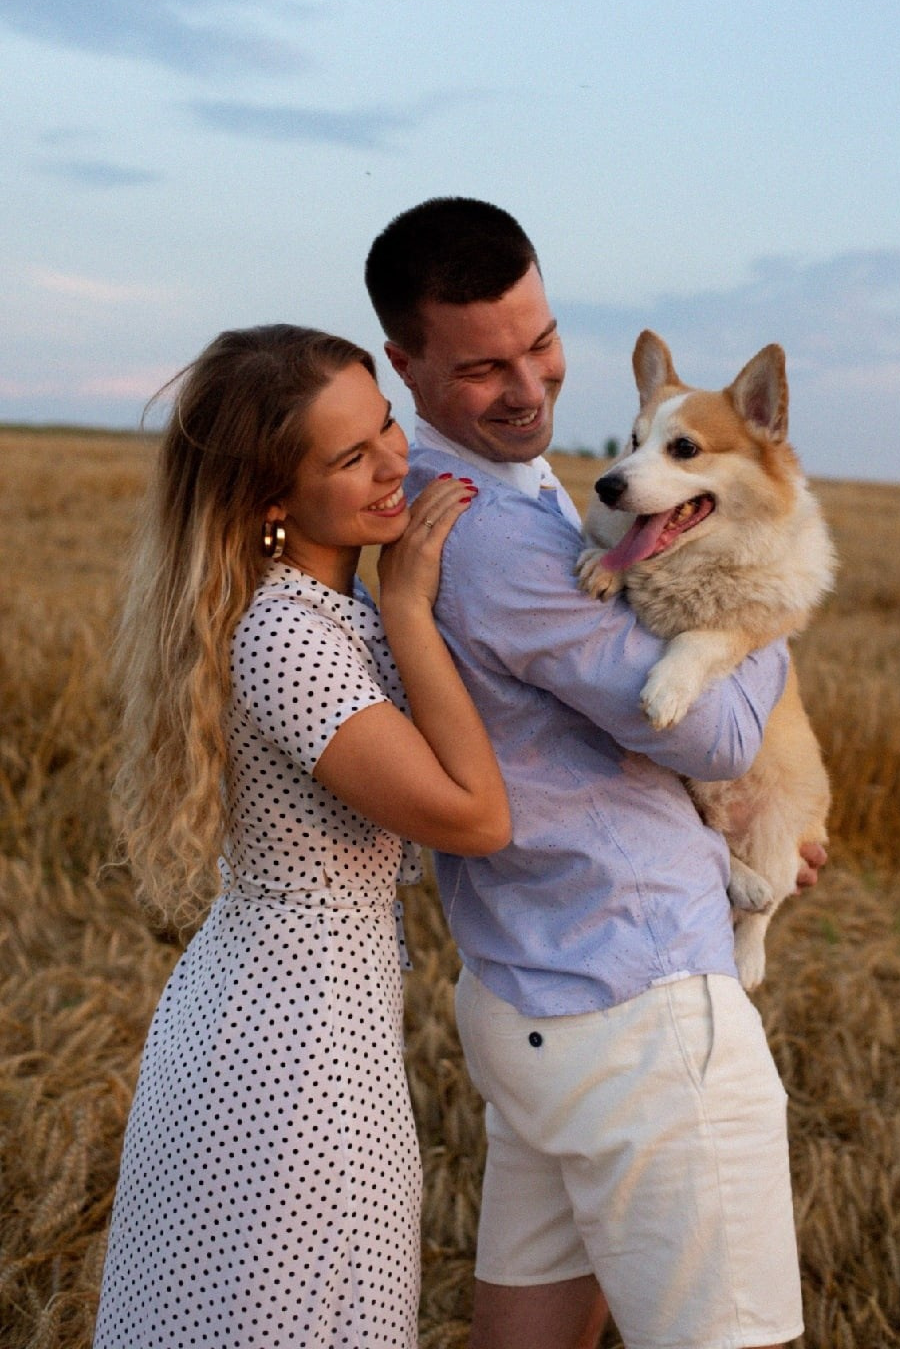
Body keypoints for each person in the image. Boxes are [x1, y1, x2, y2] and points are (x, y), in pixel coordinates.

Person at [365, 199, 825, 1349]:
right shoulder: (493, 537)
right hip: (634, 1002)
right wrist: (776, 618)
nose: (528, 387)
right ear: (403, 364)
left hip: (532, 993)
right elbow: (712, 736)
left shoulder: (500, 497)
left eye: (542, 342)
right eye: (482, 366)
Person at [93, 324, 510, 1349]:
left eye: (383, 428)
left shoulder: (326, 608)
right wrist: (411, 604)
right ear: (270, 498)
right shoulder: (288, 635)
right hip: (293, 1052)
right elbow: (475, 817)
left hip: (292, 1016)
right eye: (348, 458)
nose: (391, 464)